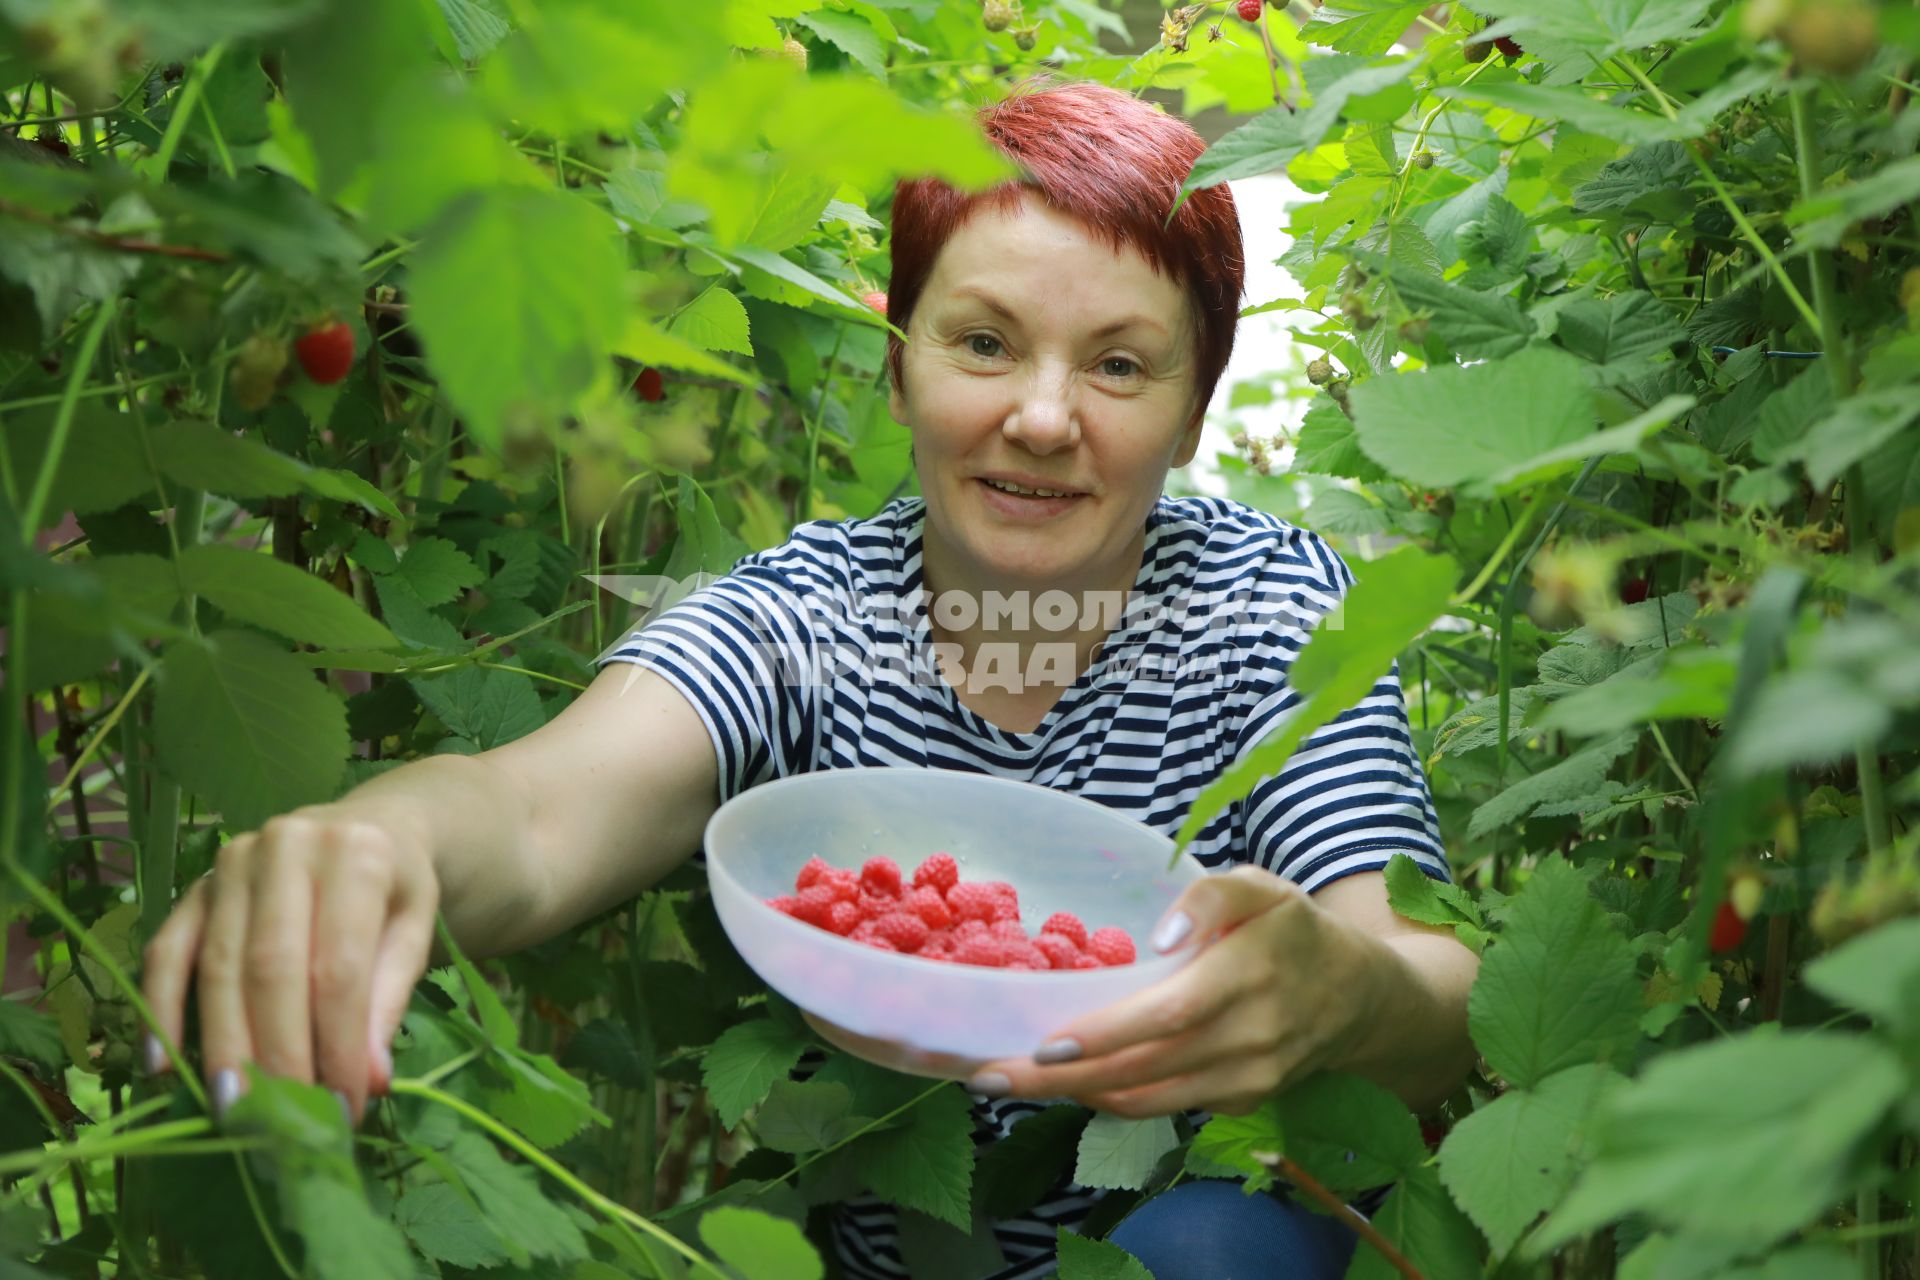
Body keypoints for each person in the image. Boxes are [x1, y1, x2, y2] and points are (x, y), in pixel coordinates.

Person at [141, 76, 1478, 1280]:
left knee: (1204, 1247)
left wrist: (1345, 992)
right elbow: (541, 808)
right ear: (900, 364)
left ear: (1193, 412)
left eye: (1120, 364)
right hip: (889, 1253)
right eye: (986, 343)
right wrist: (379, 846)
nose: (1044, 415)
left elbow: (1432, 992)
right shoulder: (803, 619)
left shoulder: (1270, 608)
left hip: (1194, 1245)